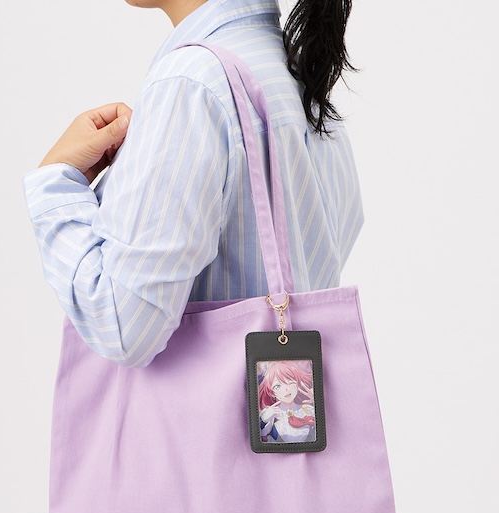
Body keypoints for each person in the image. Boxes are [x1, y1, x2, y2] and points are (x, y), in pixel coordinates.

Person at [22, 0, 363, 368]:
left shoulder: (192, 83)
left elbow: (123, 327)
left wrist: (55, 184)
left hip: (188, 408)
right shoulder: (292, 68)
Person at [257, 360, 316, 442]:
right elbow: (260, 436)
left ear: (298, 384)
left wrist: (316, 401)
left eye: (290, 383)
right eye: (277, 386)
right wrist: (263, 420)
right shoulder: (270, 415)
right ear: (271, 392)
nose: (286, 389)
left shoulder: (308, 410)